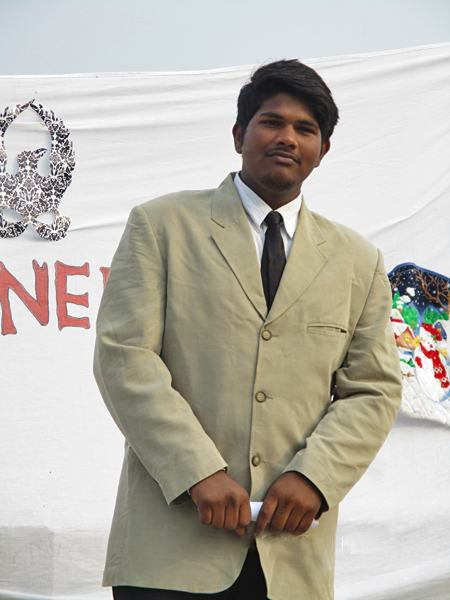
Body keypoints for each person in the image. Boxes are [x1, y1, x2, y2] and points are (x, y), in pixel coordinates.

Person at [94, 59, 402, 600]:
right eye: (271, 122)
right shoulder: (162, 226)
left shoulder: (358, 260)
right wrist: (197, 471)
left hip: (292, 557)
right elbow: (125, 357)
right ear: (239, 134)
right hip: (170, 552)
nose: (287, 138)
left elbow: (373, 390)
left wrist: (314, 477)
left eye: (305, 129)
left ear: (323, 150)